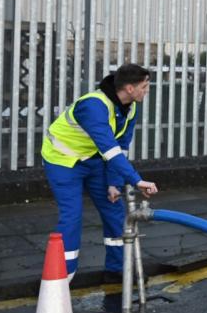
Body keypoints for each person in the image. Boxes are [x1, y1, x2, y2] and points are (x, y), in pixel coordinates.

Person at [41, 63, 159, 281]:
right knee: (72, 216)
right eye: (144, 86)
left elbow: (121, 147)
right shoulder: (93, 106)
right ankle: (61, 278)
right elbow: (109, 148)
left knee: (114, 209)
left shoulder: (130, 108)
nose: (147, 90)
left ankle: (117, 270)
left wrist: (114, 183)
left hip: (94, 160)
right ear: (130, 88)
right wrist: (136, 180)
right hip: (63, 161)